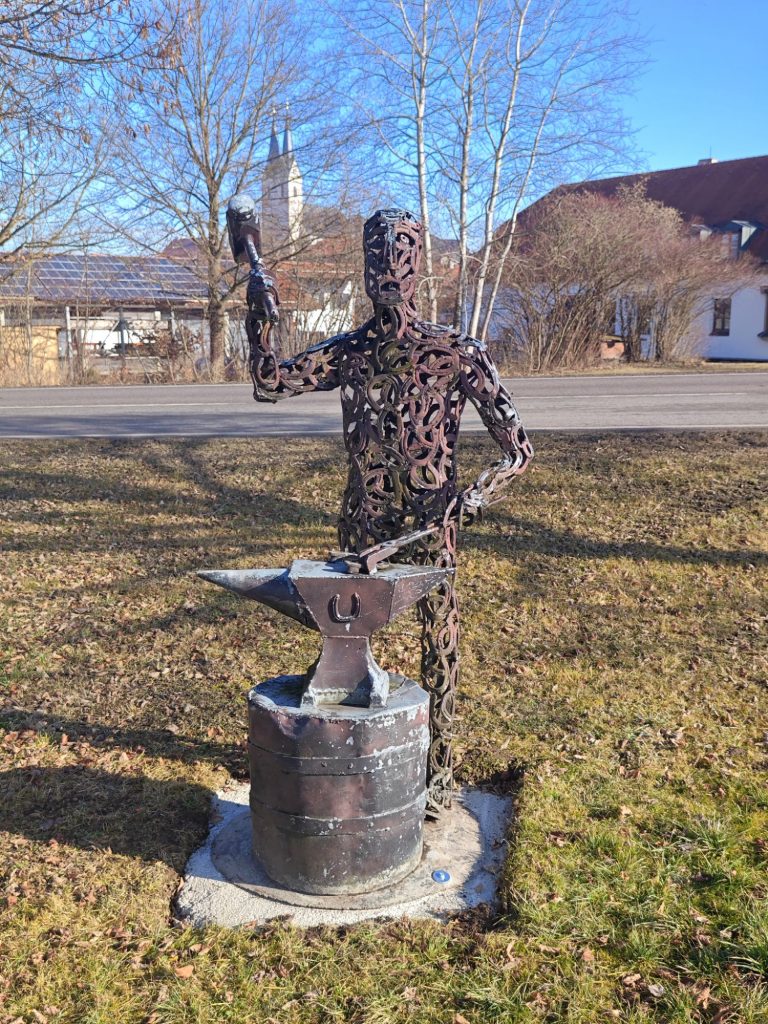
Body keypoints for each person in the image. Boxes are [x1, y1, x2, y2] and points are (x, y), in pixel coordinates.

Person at [240, 205, 533, 817]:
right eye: (378, 255)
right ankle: (345, 766)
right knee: (343, 639)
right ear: (366, 266)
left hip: (430, 519)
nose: (389, 268)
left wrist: (475, 495)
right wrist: (260, 315)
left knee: (439, 638)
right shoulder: (352, 352)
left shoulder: (456, 352)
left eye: (401, 254)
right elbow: (270, 383)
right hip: (364, 517)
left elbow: (517, 449)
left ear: (419, 265)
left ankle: (438, 770)